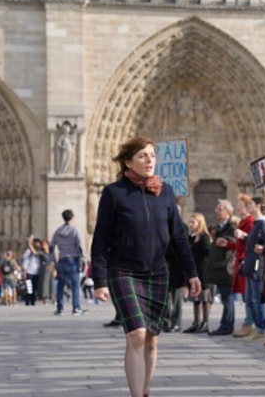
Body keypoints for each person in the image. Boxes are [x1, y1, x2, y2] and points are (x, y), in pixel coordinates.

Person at [91, 136, 201, 397]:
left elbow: (178, 237)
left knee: (151, 340)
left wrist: (192, 273)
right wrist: (99, 280)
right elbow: (101, 239)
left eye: (152, 155)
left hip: (157, 272)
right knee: (137, 335)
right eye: (142, 155)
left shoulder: (166, 192)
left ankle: (145, 391)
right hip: (123, 272)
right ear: (128, 162)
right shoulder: (114, 193)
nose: (149, 160)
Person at [241, 196, 265, 342]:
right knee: (249, 299)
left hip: (257, 265)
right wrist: (245, 237)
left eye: (251, 204)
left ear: (259, 205)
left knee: (257, 299)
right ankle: (256, 327)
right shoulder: (256, 223)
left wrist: (263, 247)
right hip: (250, 263)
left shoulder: (263, 223)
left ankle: (261, 328)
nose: (248, 207)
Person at [205, 200, 238, 336]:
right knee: (226, 297)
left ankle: (226, 326)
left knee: (227, 297)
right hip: (219, 267)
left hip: (225, 267)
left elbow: (236, 241)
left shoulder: (232, 226)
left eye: (219, 209)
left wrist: (227, 240)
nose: (216, 211)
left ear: (227, 212)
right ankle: (226, 325)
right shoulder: (220, 226)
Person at [49, 209, 86, 316]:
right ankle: (76, 308)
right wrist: (83, 259)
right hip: (73, 260)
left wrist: (50, 260)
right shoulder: (75, 230)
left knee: (60, 285)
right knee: (75, 285)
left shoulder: (58, 231)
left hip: (62, 260)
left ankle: (59, 308)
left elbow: (51, 246)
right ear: (72, 217)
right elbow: (80, 245)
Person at [182, 213, 213, 333]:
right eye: (189, 222)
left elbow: (208, 253)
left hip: (202, 271)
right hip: (193, 271)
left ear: (199, 223)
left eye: (193, 222)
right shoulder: (191, 237)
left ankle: (205, 322)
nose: (190, 224)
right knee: (195, 297)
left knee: (204, 297)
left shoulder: (204, 237)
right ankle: (196, 322)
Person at [230, 195, 256, 338]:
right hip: (241, 259)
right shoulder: (243, 222)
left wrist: (243, 235)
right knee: (247, 295)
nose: (238, 208)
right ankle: (249, 322)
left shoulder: (250, 221)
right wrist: (229, 244)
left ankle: (250, 324)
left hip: (246, 260)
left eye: (240, 206)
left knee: (249, 295)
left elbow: (252, 241)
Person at [22, 237, 42, 306]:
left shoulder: (40, 252)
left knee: (34, 287)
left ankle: (33, 301)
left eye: (38, 243)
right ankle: (27, 300)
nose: (37, 244)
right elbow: (25, 261)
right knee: (29, 287)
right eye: (35, 243)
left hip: (37, 273)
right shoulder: (28, 251)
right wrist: (25, 271)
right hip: (29, 272)